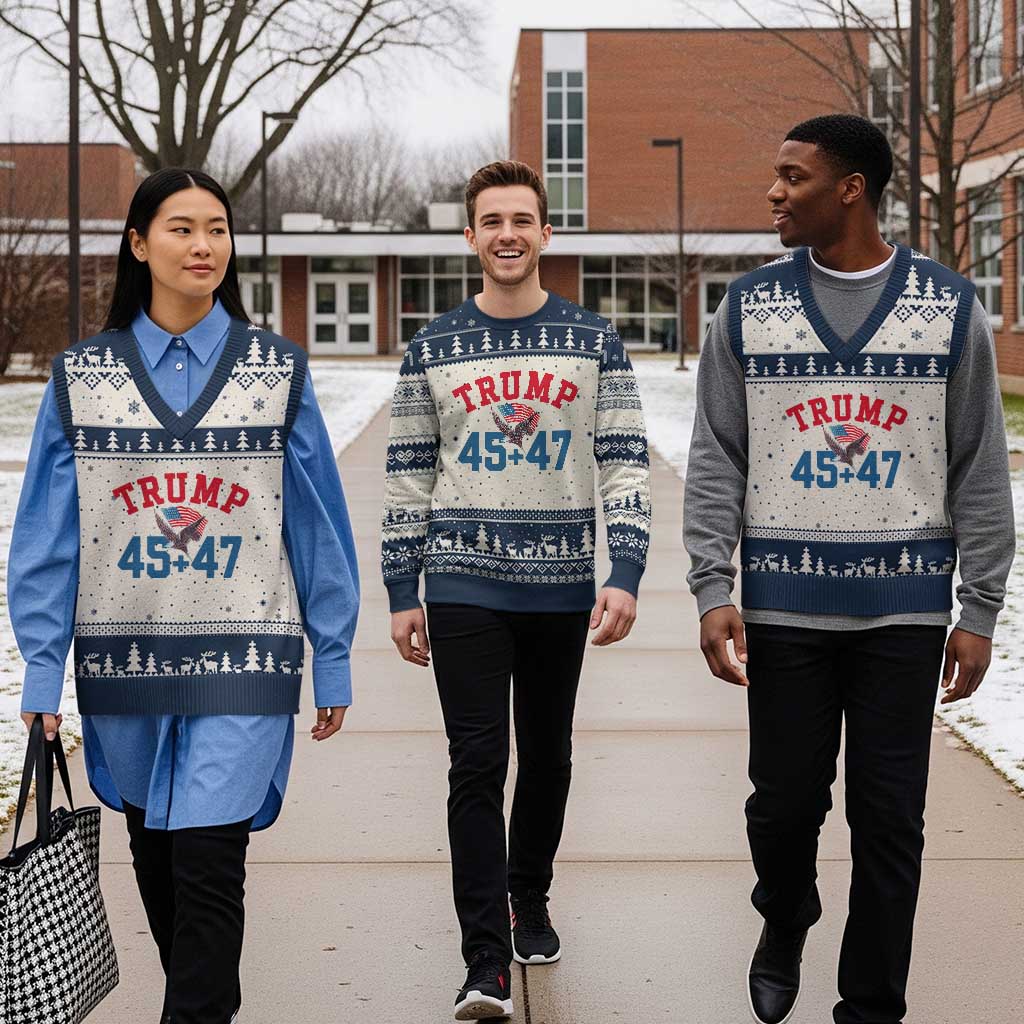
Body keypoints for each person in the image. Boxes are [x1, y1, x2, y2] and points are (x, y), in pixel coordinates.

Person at [684, 113, 1015, 1024]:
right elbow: (716, 455)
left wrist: (980, 609)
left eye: (793, 177)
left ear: (851, 189)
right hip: (785, 611)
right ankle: (786, 912)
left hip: (904, 618)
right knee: (782, 809)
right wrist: (712, 585)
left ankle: (870, 1007)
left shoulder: (948, 307)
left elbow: (979, 465)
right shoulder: (748, 307)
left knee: (890, 821)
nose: (774, 192)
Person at [10, 168, 359, 1024]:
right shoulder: (81, 378)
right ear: (138, 244)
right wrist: (44, 672)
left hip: (246, 660)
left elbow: (317, 525)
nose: (204, 246)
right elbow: (48, 539)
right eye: (181, 228)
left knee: (209, 863)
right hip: (122, 663)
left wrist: (333, 655)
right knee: (159, 861)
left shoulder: (277, 372)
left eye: (217, 229)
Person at [381, 160, 651, 1021]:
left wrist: (626, 570)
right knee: (476, 761)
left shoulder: (594, 341)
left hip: (560, 585)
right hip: (462, 582)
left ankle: (527, 894)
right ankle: (484, 962)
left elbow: (625, 462)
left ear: (545, 232)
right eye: (492, 221)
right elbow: (408, 477)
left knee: (548, 753)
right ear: (470, 236)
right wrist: (402, 587)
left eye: (522, 220)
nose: (507, 234)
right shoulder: (432, 348)